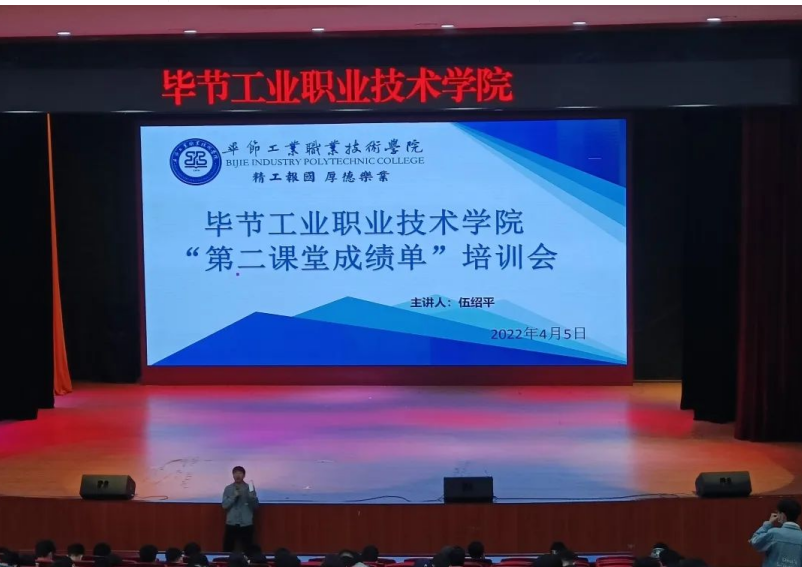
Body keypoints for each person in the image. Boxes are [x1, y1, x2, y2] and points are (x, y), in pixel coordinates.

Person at [750, 498, 802, 567]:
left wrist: (768, 524)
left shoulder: (774, 533)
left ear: (783, 515)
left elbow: (754, 541)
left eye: (778, 513)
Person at [222, 466, 260, 552]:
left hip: (246, 524)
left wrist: (252, 498)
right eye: (235, 473)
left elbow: (256, 506)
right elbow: (224, 505)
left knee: (248, 549)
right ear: (232, 475)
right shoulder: (228, 488)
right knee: (227, 549)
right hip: (231, 523)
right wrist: (233, 496)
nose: (237, 475)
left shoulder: (250, 487)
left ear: (244, 475)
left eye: (240, 473)